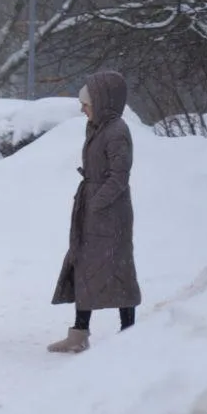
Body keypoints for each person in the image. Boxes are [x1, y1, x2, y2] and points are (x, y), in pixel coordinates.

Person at [48, 71, 141, 353]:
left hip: (111, 214)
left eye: (86, 103)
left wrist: (98, 203)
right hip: (92, 209)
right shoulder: (98, 127)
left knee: (118, 269)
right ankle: (79, 333)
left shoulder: (117, 132)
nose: (82, 109)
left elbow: (119, 177)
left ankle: (130, 333)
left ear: (103, 102)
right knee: (85, 267)